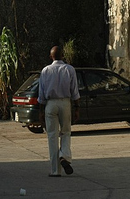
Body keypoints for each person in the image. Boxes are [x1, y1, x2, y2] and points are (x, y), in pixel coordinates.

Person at [38, 46, 80, 177]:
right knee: (66, 132)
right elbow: (74, 91)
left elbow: (41, 93)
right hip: (65, 102)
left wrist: (41, 111)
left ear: (51, 57)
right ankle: (64, 156)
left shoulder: (45, 71)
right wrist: (77, 108)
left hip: (50, 104)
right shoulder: (69, 69)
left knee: (52, 135)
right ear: (63, 56)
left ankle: (55, 170)